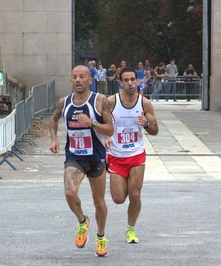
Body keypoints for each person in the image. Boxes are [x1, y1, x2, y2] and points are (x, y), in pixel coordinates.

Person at [49, 65, 114, 257]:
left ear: (89, 80)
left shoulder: (99, 100)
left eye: (82, 76)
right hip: (75, 157)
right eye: (74, 77)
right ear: (71, 80)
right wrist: (54, 139)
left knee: (99, 202)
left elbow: (110, 129)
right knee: (70, 193)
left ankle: (101, 238)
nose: (78, 80)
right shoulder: (64, 102)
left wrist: (92, 123)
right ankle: (82, 221)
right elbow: (53, 120)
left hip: (96, 157)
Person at [106, 67, 159, 244]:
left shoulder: (145, 104)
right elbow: (100, 124)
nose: (130, 83)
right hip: (116, 156)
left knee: (135, 194)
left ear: (138, 81)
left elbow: (155, 131)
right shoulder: (111, 102)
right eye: (126, 80)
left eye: (132, 80)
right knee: (119, 198)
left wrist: (146, 125)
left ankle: (131, 229)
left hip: (136, 154)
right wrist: (105, 137)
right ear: (120, 83)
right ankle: (124, 183)